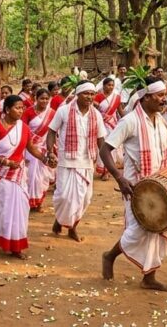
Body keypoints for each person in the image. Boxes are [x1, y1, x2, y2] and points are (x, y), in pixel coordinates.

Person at [99, 78, 167, 292]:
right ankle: (110, 256)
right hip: (136, 188)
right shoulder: (130, 121)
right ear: (145, 97)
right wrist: (119, 177)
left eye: (165, 95)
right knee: (137, 232)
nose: (165, 99)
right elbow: (105, 149)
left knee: (159, 228)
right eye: (160, 95)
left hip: (161, 186)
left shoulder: (160, 120)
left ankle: (149, 278)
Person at [0, 95, 52, 260]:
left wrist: (45, 158)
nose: (21, 111)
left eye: (22, 108)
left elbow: (31, 148)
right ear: (7, 109)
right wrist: (4, 161)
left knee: (19, 208)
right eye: (17, 108)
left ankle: (16, 244)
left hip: (17, 174)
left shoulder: (24, 128)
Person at [47, 82, 107, 242]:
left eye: (92, 94)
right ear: (78, 94)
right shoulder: (64, 111)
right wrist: (49, 152)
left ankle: (70, 225)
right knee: (64, 198)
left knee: (85, 198)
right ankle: (63, 222)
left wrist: (107, 160)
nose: (90, 97)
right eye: (86, 93)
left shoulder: (97, 115)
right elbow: (51, 131)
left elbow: (101, 140)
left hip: (87, 161)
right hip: (66, 161)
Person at [22, 89, 56, 211]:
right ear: (36, 98)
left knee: (43, 177)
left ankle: (39, 202)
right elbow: (23, 131)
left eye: (47, 98)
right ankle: (28, 202)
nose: (44, 101)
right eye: (42, 98)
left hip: (44, 148)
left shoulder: (52, 113)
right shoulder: (28, 112)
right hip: (30, 149)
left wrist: (51, 150)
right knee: (30, 176)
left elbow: (53, 132)